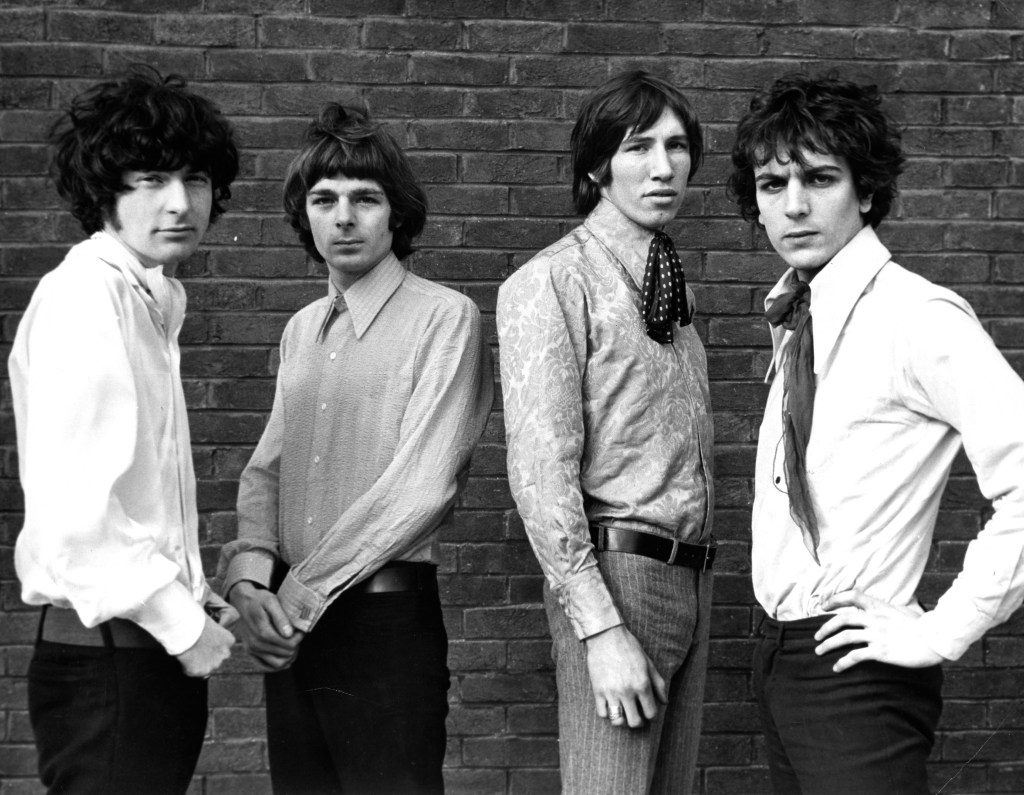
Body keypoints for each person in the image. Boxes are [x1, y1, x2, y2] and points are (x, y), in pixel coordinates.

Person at [728, 73, 1024, 794]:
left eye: (820, 178)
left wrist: (939, 630)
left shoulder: (915, 317)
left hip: (857, 679)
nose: (793, 205)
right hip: (781, 657)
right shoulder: (799, 314)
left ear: (866, 191)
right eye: (772, 184)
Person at [219, 102, 493, 794]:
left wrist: (297, 597)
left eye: (365, 198)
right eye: (324, 198)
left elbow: (422, 486)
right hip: (292, 628)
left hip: (383, 628)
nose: (343, 217)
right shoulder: (301, 328)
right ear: (304, 214)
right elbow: (266, 471)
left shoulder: (445, 317)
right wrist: (250, 582)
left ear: (396, 212)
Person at [9, 68, 240, 794]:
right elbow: (78, 515)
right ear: (104, 191)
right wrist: (184, 624)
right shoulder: (86, 297)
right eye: (149, 179)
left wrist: (195, 596)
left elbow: (137, 493)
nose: (178, 203)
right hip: (111, 661)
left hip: (136, 661)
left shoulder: (147, 297)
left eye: (195, 180)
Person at [497, 70, 715, 795]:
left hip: (692, 576)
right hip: (619, 579)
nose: (664, 166)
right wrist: (600, 628)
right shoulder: (554, 281)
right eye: (638, 147)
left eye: (678, 146)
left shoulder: (668, 284)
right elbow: (539, 472)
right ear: (597, 166)